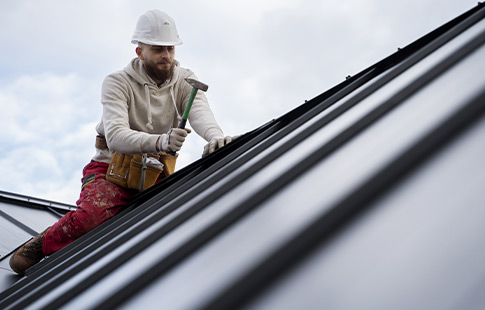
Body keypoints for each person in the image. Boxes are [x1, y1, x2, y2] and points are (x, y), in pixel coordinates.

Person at [10, 9, 236, 275]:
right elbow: (116, 136)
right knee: (92, 218)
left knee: (182, 214)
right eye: (158, 49)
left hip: (154, 172)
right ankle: (40, 244)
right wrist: (161, 141)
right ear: (140, 52)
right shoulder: (117, 83)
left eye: (171, 49)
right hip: (110, 170)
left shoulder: (184, 81)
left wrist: (216, 137)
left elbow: (200, 112)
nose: (167, 57)